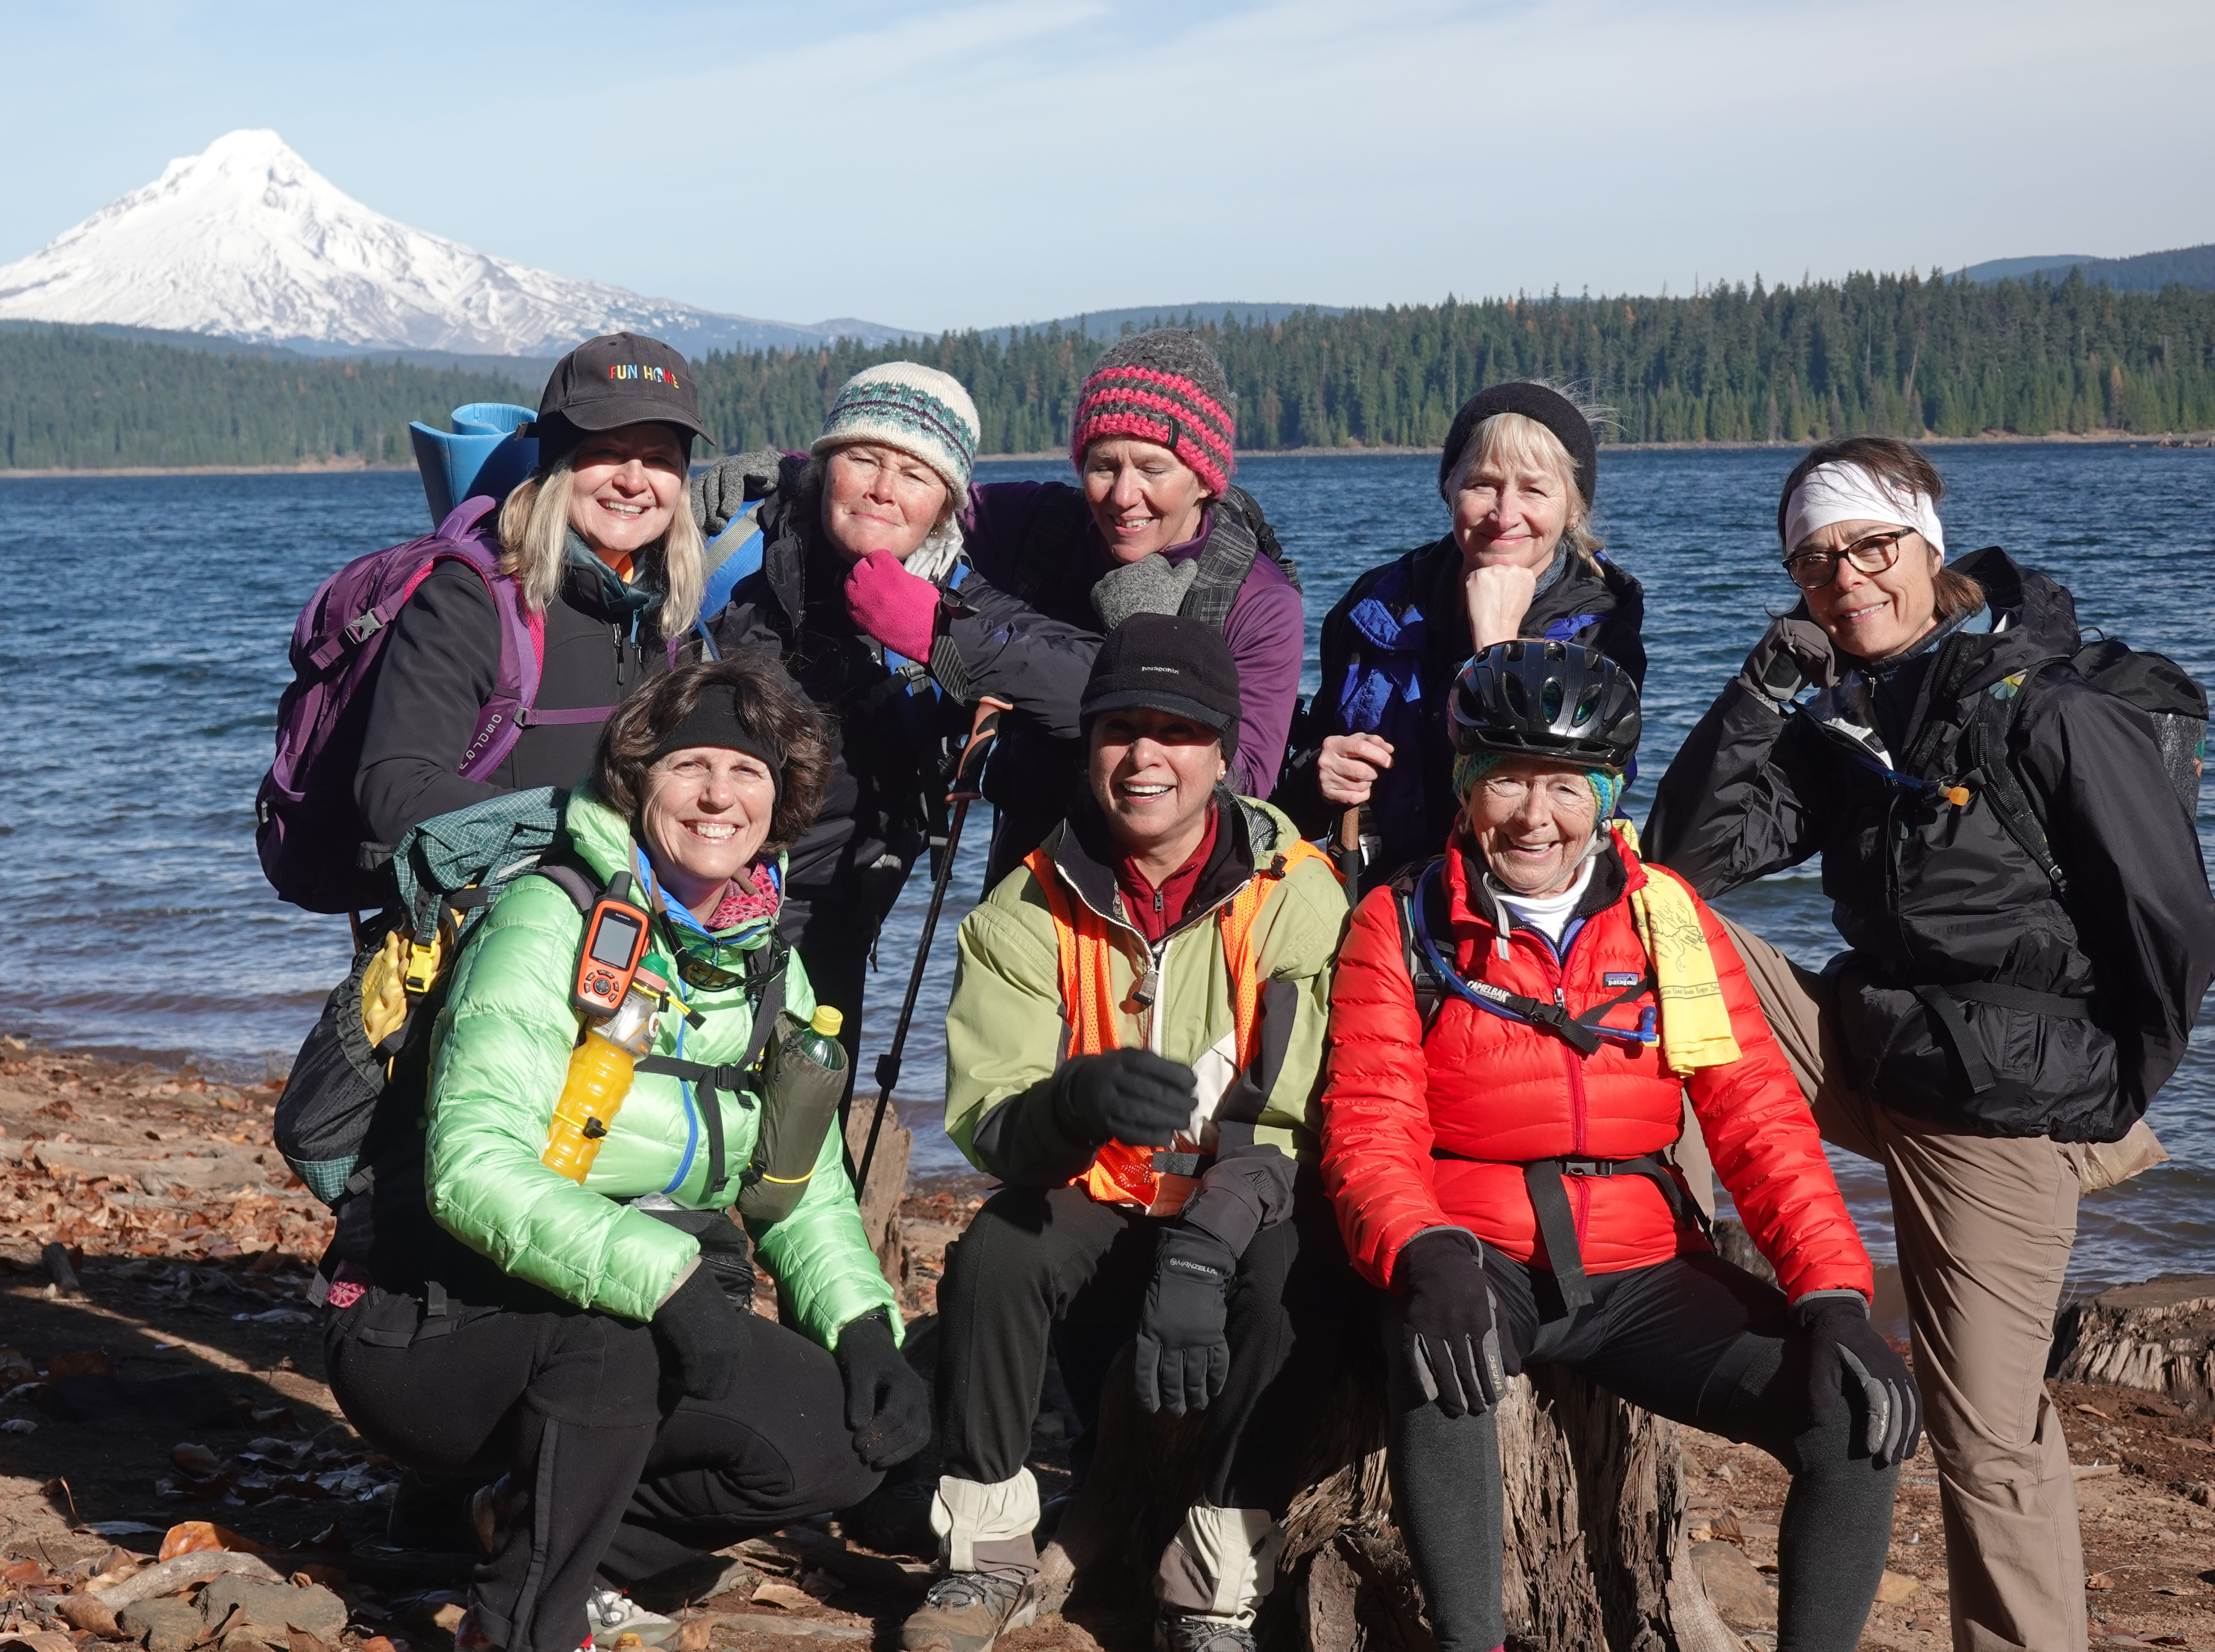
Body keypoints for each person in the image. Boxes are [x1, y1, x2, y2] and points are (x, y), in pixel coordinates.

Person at [1642, 436, 2215, 1651]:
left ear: (1926, 547)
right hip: (1871, 1049)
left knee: (1983, 1433)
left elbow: (2173, 919)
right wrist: (1760, 687)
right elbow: (1683, 859)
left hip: (1996, 1106)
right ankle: (1647, 1240)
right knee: (1659, 920)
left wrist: (2114, 1090)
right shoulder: (1858, 721)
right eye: (1814, 565)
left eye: (1868, 547)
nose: (1845, 579)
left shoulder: (2048, 712)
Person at [1320, 640, 1916, 1652]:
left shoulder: (1667, 921)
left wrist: (1832, 1296)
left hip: (1643, 1271)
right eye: (1504, 779)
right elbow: (1368, 1122)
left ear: (1606, 796)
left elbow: (1758, 1120)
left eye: (1565, 785)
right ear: (1466, 789)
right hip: (1480, 1254)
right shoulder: (1403, 922)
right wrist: (1420, 1247)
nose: (1533, 814)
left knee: (1850, 1411)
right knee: (1436, 1355)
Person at [323, 658, 929, 1652]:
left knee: (838, 1442)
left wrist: (865, 1328)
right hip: (427, 1323)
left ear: (783, 799)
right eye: (690, 764)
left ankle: (528, 1531)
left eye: (750, 772)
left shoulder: (767, 953)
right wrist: (670, 1281)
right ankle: (522, 1624)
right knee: (618, 1335)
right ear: (636, 778)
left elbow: (800, 1184)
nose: (718, 795)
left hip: (624, 1310)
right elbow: (471, 1166)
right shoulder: (546, 916)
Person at [908, 614, 1350, 1652]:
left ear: (1222, 752)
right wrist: (1076, 1100)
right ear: (1088, 743)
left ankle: (1212, 1579)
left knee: (1296, 1275)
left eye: (1176, 731)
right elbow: (986, 1117)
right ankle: (982, 1552)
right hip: (1097, 1198)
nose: (1145, 755)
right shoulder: (1026, 904)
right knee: (996, 1252)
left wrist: (1202, 1247)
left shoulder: (1297, 888)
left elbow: (1293, 1110)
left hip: (1245, 1200)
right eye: (1120, 729)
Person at [697, 329, 1305, 887]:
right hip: (1029, 871)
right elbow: (914, 496)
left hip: (1181, 890)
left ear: (1204, 479)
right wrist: (798, 475)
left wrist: (1147, 641)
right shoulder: (1041, 526)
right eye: (1102, 466)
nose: (1123, 496)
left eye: (1152, 469)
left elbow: (1247, 783)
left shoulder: (1257, 600)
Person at [1278, 381, 1645, 896]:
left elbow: (1550, 810)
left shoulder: (1601, 631)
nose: (1503, 514)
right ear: (1447, 488)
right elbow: (1298, 782)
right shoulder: (1377, 605)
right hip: (1383, 902)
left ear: (1573, 510)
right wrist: (1318, 775)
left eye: (1533, 490)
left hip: (1526, 909)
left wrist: (1496, 644)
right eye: (1482, 485)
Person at [714, 362, 985, 1053]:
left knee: (803, 1134)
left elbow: (1067, 676)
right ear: (825, 466)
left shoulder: (959, 601)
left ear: (946, 507)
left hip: (845, 913)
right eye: (863, 458)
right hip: (701, 910)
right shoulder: (738, 562)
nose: (882, 490)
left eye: (916, 474)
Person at [355, 333, 712, 850]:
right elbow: (393, 793)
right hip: (488, 920)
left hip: (623, 919)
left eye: (659, 459)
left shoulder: (674, 613)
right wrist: (584, 824)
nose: (634, 481)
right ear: (557, 468)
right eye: (607, 451)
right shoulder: (471, 598)